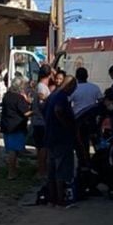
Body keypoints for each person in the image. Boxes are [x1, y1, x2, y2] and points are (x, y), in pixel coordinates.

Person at [43, 76, 78, 208]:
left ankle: (51, 199)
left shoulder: (53, 95)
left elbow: (43, 109)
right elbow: (59, 110)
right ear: (69, 86)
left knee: (51, 170)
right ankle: (61, 200)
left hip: (50, 136)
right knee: (61, 169)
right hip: (61, 138)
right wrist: (66, 126)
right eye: (73, 88)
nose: (73, 91)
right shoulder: (62, 97)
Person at [0, 78, 32, 180]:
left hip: (6, 125)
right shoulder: (19, 98)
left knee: (11, 150)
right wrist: (36, 110)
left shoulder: (6, 96)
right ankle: (11, 173)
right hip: (16, 127)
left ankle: (13, 169)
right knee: (13, 151)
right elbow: (26, 113)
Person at [31, 64, 54, 181]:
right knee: (42, 147)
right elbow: (42, 103)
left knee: (41, 147)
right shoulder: (42, 88)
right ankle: (42, 171)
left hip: (39, 121)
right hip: (41, 122)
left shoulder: (41, 86)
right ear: (49, 74)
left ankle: (41, 169)